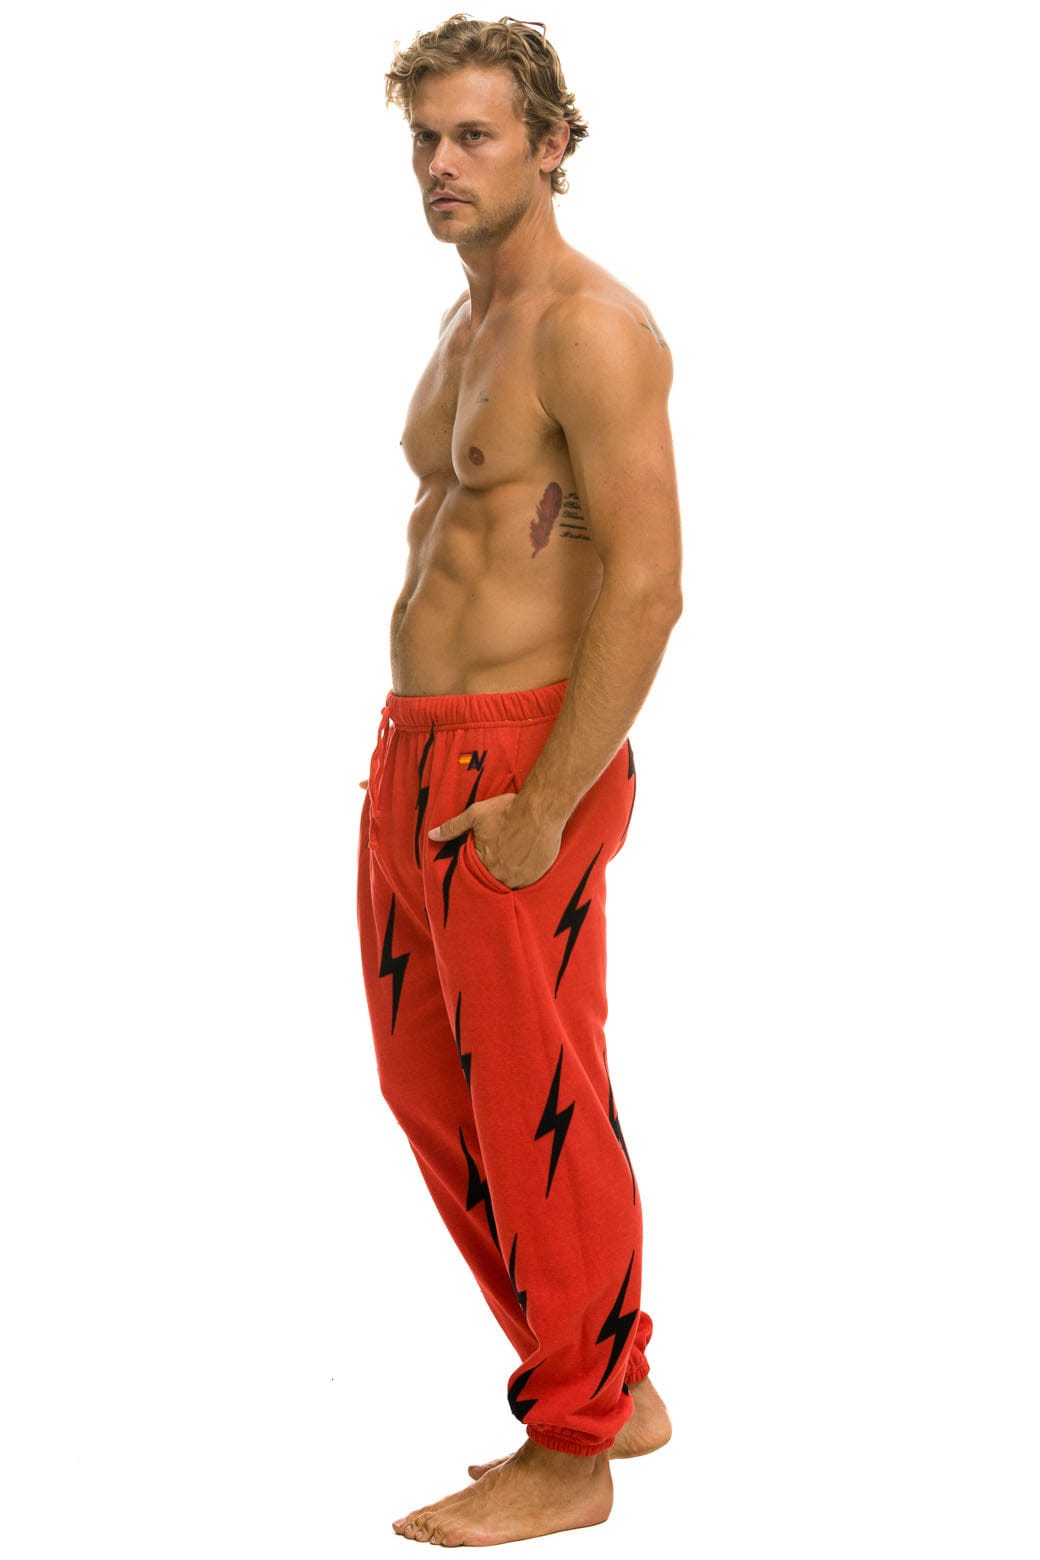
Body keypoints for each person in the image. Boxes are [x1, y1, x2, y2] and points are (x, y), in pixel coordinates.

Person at [356, 14, 682, 1546]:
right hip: (415, 753)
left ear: (551, 144)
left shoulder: (591, 327)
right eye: (425, 136)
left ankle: (574, 1446)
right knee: (432, 1086)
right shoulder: (463, 321)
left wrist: (548, 799)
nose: (441, 162)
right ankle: (608, 1374)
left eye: (474, 134)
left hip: (521, 759)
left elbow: (647, 585)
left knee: (536, 1102)